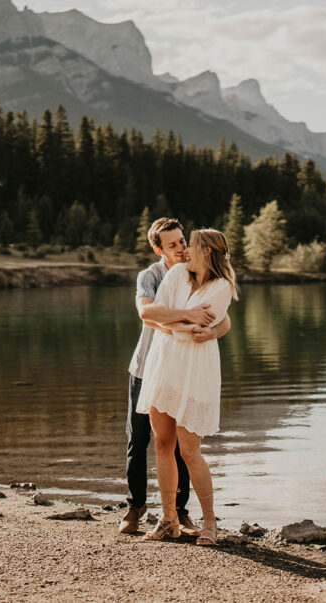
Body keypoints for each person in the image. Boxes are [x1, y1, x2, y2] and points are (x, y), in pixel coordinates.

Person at [118, 218, 231, 537]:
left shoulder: (211, 280)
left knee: (186, 448)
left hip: (190, 370)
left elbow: (222, 321)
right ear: (158, 249)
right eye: (175, 244)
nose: (182, 248)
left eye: (185, 242)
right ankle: (138, 507)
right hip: (149, 367)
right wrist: (189, 319)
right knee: (142, 441)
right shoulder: (154, 275)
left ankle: (185, 515)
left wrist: (209, 330)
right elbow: (148, 314)